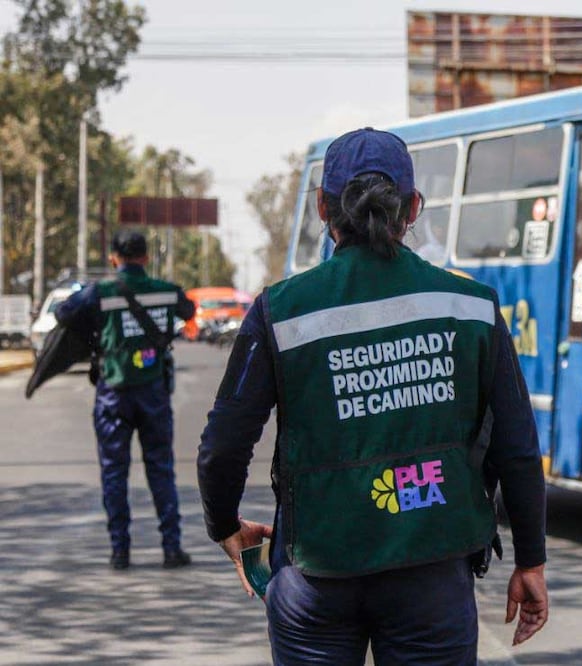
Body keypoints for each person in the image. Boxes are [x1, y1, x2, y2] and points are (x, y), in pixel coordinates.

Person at [197, 127, 549, 665]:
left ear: (321, 207)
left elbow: (224, 443)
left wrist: (224, 524)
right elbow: (518, 446)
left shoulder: (279, 310)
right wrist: (531, 561)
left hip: (315, 578)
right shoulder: (473, 307)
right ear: (413, 208)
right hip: (432, 573)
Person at [56, 230, 196, 570]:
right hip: (154, 393)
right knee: (161, 469)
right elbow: (188, 309)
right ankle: (171, 549)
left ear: (113, 258)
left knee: (114, 472)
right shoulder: (165, 291)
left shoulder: (99, 293)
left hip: (113, 396)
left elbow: (63, 312)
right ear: (146, 258)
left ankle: (120, 551)